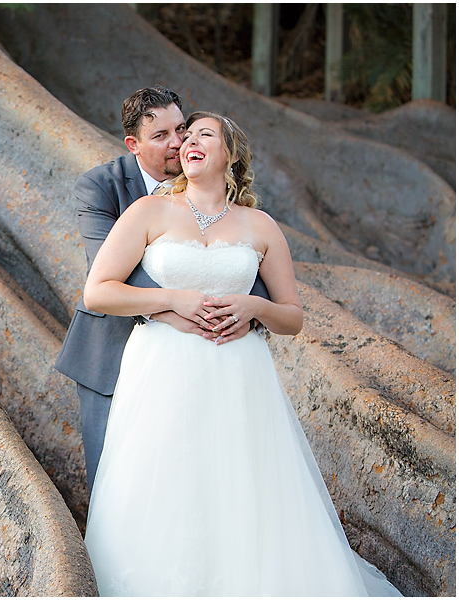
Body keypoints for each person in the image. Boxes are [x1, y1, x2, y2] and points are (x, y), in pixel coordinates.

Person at [81, 111, 402, 596]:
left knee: (239, 483)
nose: (187, 141)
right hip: (162, 369)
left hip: (239, 373)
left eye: (202, 134)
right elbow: (98, 292)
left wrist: (255, 305)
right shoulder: (148, 212)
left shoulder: (260, 225)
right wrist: (172, 299)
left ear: (229, 154)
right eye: (184, 136)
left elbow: (292, 317)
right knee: (162, 479)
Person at [54, 86, 269, 492]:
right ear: (133, 145)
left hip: (207, 359)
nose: (177, 143)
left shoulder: (218, 192)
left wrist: (249, 312)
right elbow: (116, 270)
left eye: (181, 129)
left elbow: (241, 261)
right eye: (160, 136)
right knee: (116, 485)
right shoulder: (101, 187)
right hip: (111, 353)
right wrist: (176, 308)